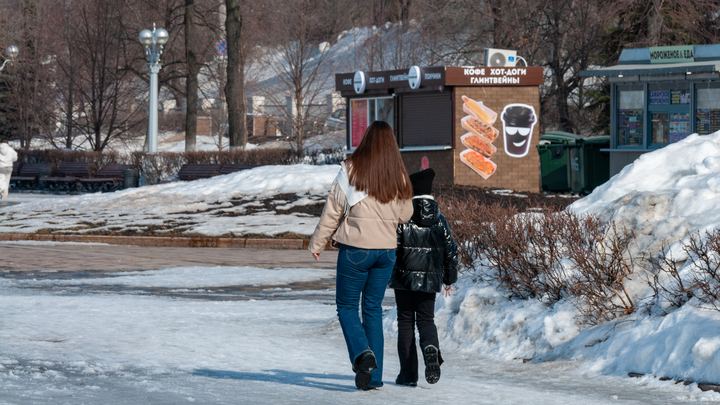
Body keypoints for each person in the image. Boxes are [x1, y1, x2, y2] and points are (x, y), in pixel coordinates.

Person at [309, 121, 413, 390]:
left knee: (346, 306)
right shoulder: (398, 175)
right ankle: (373, 377)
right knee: (372, 310)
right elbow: (405, 215)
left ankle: (361, 354)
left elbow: (333, 210)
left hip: (356, 250)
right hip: (386, 252)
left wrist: (318, 243)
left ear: (366, 140)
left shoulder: (351, 170)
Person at [388, 168, 458, 387]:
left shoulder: (402, 218)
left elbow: (393, 249)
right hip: (430, 281)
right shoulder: (440, 220)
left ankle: (408, 376)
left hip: (404, 280)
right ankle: (430, 348)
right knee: (426, 320)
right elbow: (451, 250)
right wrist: (449, 279)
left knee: (406, 323)